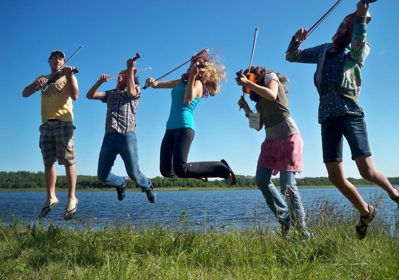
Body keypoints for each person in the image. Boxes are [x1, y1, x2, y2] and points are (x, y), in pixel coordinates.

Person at [286, 0, 399, 239]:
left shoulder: (360, 47)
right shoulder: (324, 50)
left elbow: (357, 48)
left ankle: (394, 194)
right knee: (335, 177)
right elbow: (291, 57)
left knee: (366, 171)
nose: (344, 30)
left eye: (350, 27)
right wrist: (297, 39)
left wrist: (361, 16)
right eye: (344, 25)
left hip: (350, 112)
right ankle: (366, 211)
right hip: (327, 116)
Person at [236, 67, 310, 238]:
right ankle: (284, 218)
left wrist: (247, 82)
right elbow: (258, 126)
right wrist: (247, 109)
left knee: (287, 185)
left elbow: (272, 95)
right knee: (262, 180)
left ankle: (302, 232)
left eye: (249, 78)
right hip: (270, 141)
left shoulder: (271, 78)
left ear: (256, 75)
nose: (247, 85)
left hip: (288, 137)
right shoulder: (258, 102)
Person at [145, 49, 236, 184]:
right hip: (170, 128)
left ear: (203, 70)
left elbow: (187, 100)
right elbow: (156, 85)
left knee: (180, 169)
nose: (194, 64)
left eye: (199, 63)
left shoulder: (198, 84)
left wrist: (193, 76)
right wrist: (152, 82)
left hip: (184, 127)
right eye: (193, 63)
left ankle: (221, 168)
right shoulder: (180, 82)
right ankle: (197, 172)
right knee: (166, 171)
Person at [86, 57, 155, 203]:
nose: (118, 77)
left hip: (126, 136)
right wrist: (99, 82)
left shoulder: (135, 90)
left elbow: (130, 92)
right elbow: (90, 95)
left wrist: (130, 69)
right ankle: (120, 183)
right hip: (109, 137)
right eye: (119, 75)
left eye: (122, 75)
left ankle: (147, 186)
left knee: (134, 173)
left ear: (130, 77)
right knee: (102, 175)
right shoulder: (110, 93)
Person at [22, 50, 79, 220]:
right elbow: (25, 93)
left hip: (64, 123)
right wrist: (36, 85)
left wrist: (69, 76)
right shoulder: (43, 78)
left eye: (61, 58)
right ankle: (51, 197)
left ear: (63, 62)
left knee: (68, 161)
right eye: (54, 57)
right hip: (46, 124)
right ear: (49, 61)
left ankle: (71, 198)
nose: (58, 59)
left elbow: (75, 96)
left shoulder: (67, 76)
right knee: (48, 162)